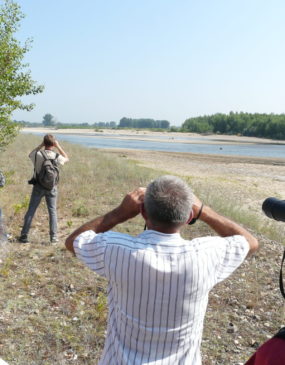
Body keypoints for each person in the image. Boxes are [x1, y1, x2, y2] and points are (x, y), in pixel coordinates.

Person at [65, 175, 258, 365]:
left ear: (143, 213)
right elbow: (251, 242)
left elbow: (73, 241)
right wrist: (204, 211)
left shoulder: (115, 249)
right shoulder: (206, 255)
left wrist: (119, 213)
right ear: (189, 216)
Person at [19, 134, 69, 243]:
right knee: (52, 211)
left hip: (38, 186)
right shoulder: (56, 156)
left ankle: (24, 235)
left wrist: (40, 145)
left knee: (31, 210)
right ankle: (53, 237)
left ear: (44, 143)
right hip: (52, 187)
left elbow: (29, 155)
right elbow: (67, 159)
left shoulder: (38, 154)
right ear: (53, 144)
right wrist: (59, 147)